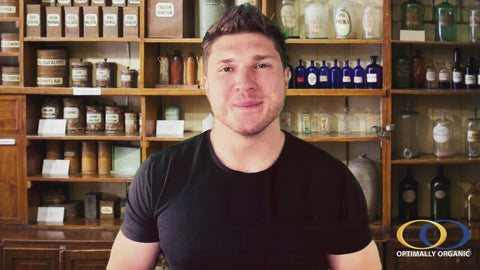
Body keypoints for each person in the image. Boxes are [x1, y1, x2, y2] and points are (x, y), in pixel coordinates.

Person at [107, 4, 382, 270]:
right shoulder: (159, 174)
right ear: (205, 83)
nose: (245, 84)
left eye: (261, 66)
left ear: (286, 77)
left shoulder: (333, 179)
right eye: (227, 68)